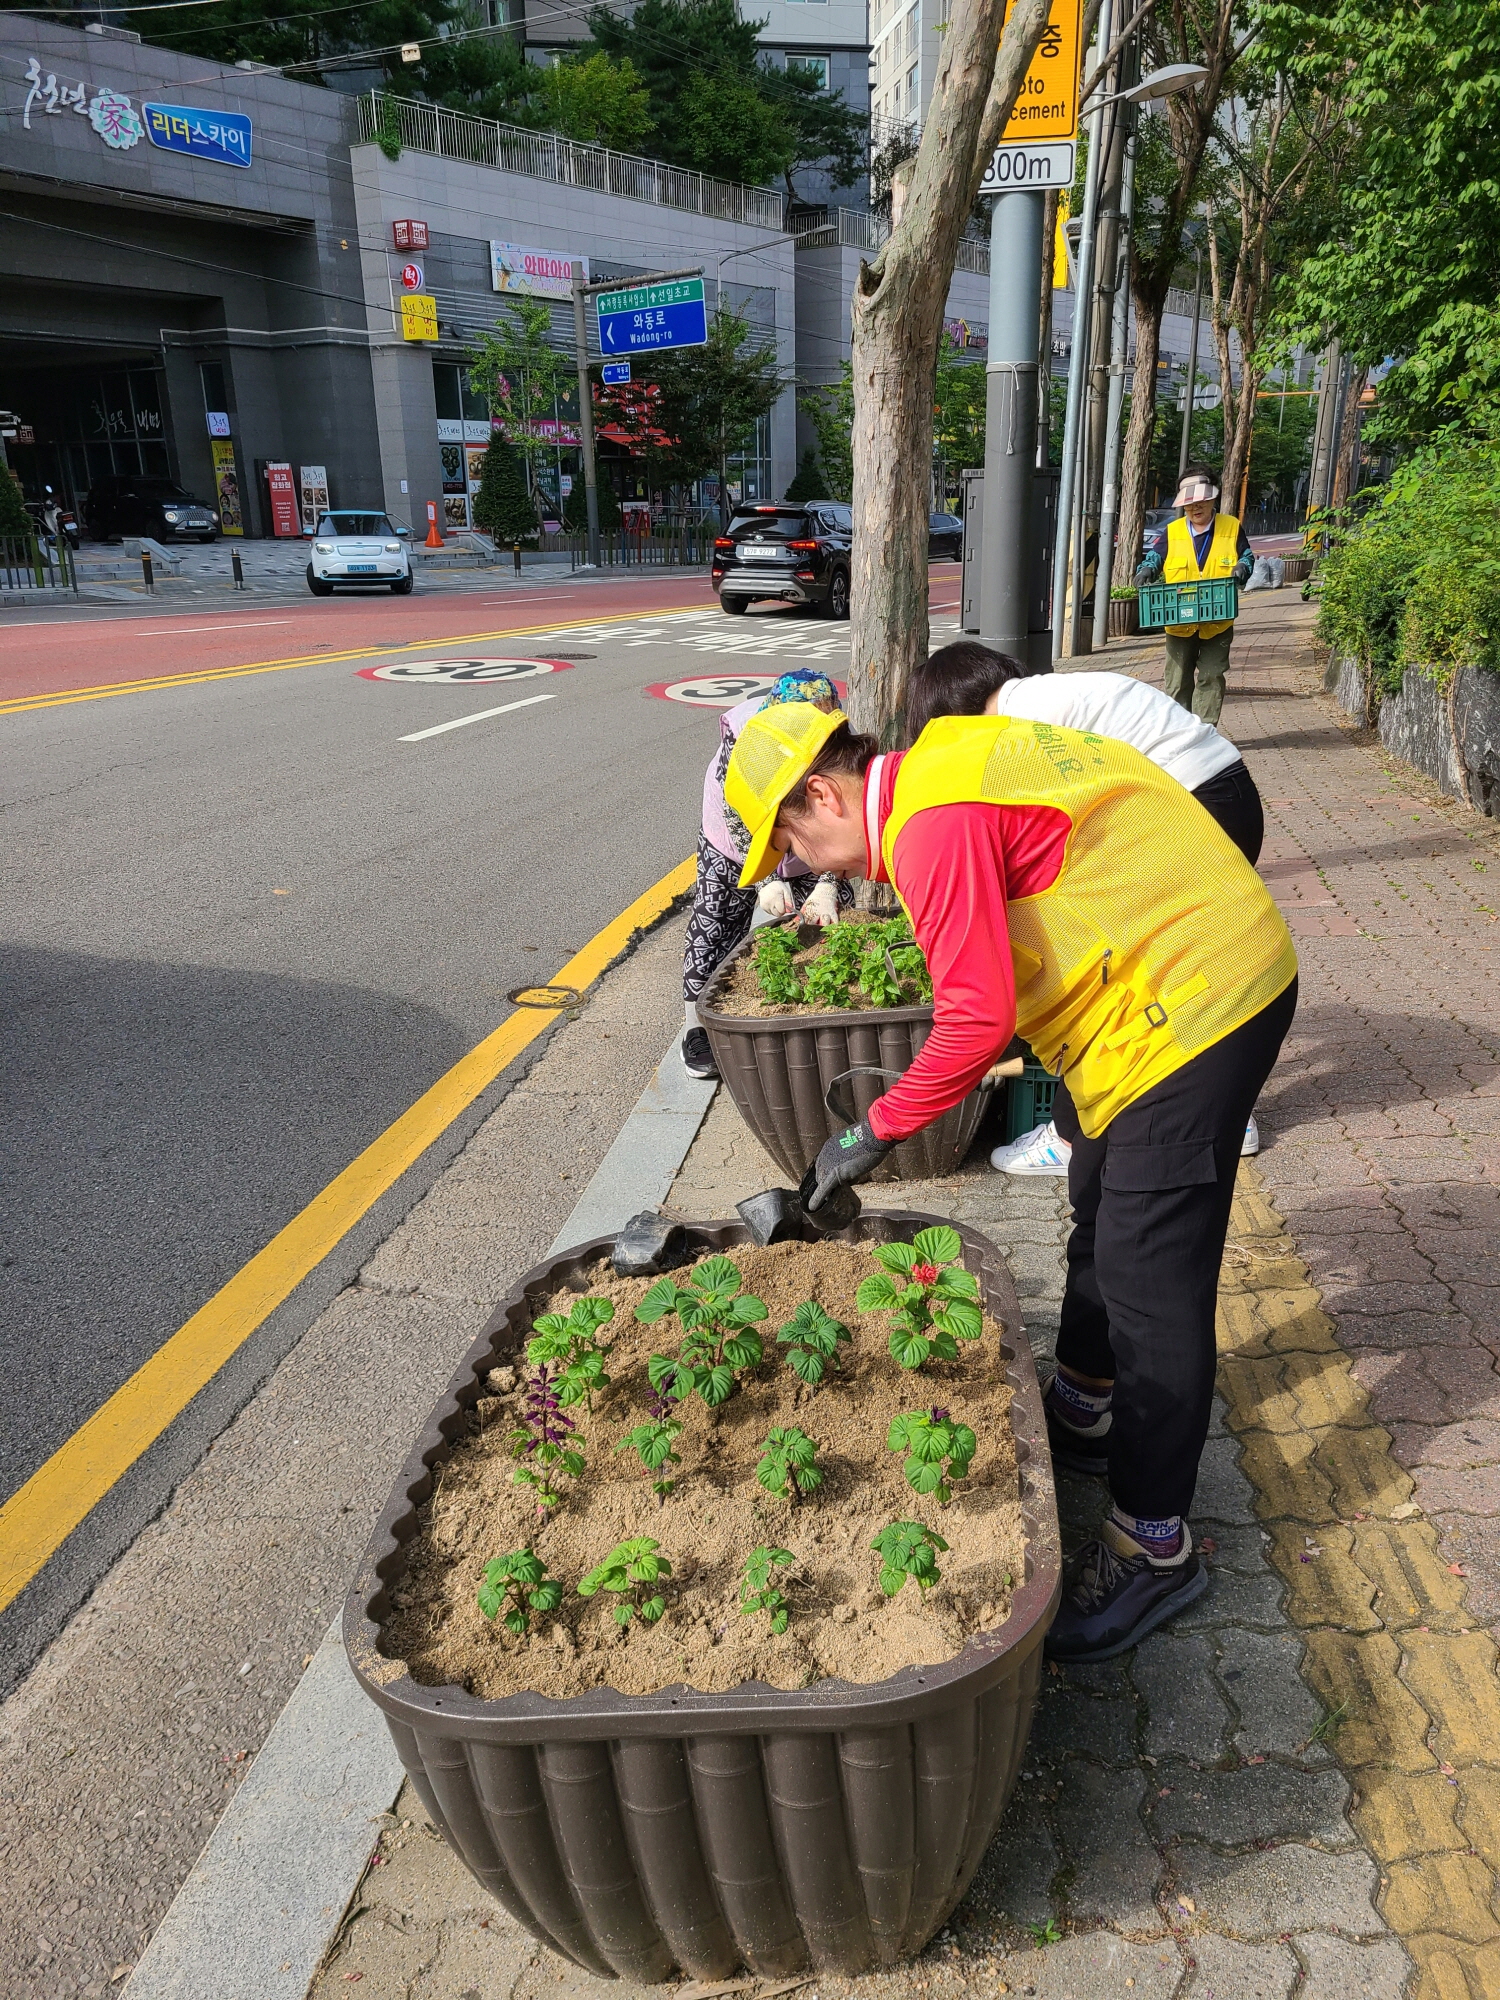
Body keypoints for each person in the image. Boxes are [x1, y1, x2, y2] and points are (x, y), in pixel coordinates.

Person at [724, 703, 1297, 1661]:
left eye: (796, 841)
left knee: (1152, 1273)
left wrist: (866, 1134)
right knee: (1101, 1204)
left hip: (1199, 994)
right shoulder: (939, 767)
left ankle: (1157, 1545)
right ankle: (1082, 1404)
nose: (814, 866)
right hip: (1147, 985)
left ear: (820, 792)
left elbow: (975, 1022)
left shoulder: (930, 823)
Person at [907, 641, 1266, 1172]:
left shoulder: (1013, 726)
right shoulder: (1040, 695)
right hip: (1225, 792)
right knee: (1182, 971)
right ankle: (1229, 1118)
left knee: (1115, 977)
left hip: (1195, 801)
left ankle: (1073, 1138)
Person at [680, 670, 851, 1081]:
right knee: (716, 919)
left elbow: (847, 818)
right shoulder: (743, 733)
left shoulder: (838, 739)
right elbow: (737, 811)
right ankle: (696, 1028)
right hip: (736, 839)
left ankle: (808, 1022)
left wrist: (828, 884)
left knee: (820, 927)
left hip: (809, 835)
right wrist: (765, 879)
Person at [1136, 466, 1254, 726]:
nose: (1195, 508)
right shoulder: (1173, 531)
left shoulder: (1231, 527)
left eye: (1201, 502)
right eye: (1189, 505)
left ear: (1213, 499)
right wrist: (1146, 569)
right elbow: (1156, 557)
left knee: (1211, 676)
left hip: (1217, 619)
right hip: (1179, 619)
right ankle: (1180, 730)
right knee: (1177, 680)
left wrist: (1242, 568)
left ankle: (1204, 732)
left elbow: (1246, 556)